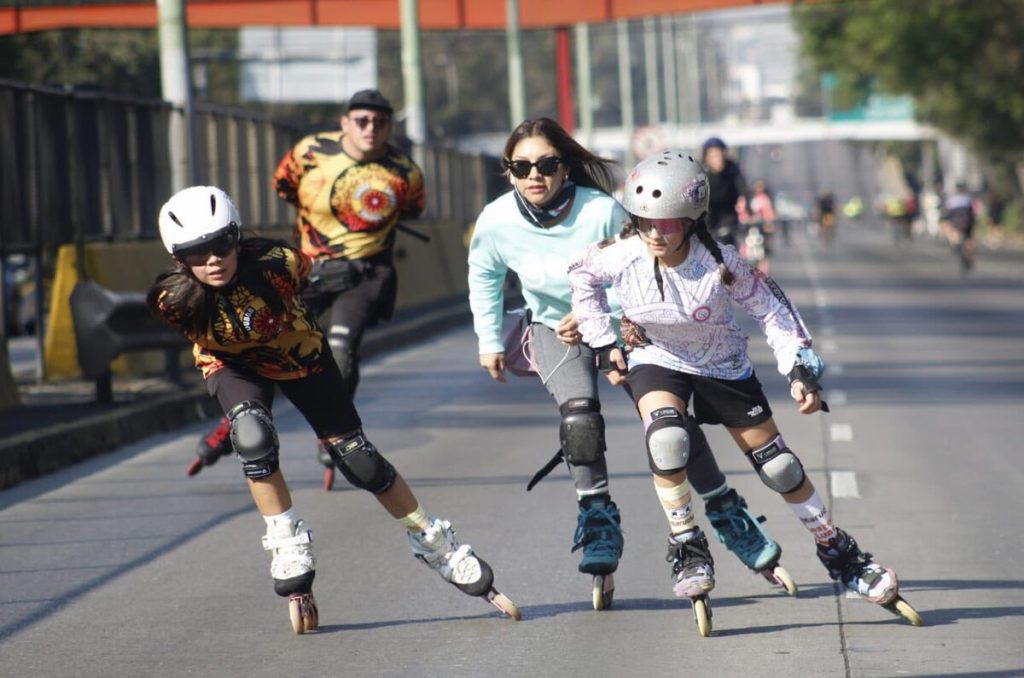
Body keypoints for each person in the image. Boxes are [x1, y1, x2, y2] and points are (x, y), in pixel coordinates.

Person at [568, 151, 922, 628]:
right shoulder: (622, 253)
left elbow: (773, 310)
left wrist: (798, 369)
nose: (654, 232)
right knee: (667, 438)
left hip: (723, 364)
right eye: (644, 220)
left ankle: (838, 551)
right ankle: (687, 545)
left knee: (779, 467)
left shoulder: (721, 263)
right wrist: (603, 339)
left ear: (692, 220)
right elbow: (582, 277)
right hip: (657, 358)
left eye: (667, 222)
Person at [149, 186, 518, 633]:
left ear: (237, 235)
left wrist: (335, 278)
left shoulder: (276, 264)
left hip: (300, 357)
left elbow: (310, 280)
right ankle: (287, 544)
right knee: (252, 437)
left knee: (359, 460)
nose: (212, 259)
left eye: (221, 243)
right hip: (232, 366)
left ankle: (435, 543)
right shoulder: (173, 301)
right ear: (177, 258)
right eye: (196, 252)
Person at [467, 119, 787, 611]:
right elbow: (485, 274)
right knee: (580, 421)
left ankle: (726, 512)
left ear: (565, 167)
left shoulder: (600, 212)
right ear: (508, 171)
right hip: (554, 329)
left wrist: (598, 318)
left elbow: (644, 271)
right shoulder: (495, 221)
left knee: (669, 424)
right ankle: (597, 520)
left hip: (628, 324)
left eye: (547, 165)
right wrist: (490, 339)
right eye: (521, 166)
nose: (535, 175)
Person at [188, 89, 425, 490]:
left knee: (340, 352)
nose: (371, 129)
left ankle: (331, 436)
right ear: (345, 122)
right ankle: (236, 424)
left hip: (366, 274)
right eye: (362, 120)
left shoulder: (404, 171)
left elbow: (414, 209)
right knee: (264, 345)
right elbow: (283, 186)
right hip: (307, 269)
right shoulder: (310, 153)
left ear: (390, 127)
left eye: (381, 122)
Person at [701, 137, 747, 247]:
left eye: (720, 155)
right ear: (707, 157)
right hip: (708, 216)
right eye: (713, 156)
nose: (718, 159)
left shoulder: (732, 170)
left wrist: (746, 204)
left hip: (727, 215)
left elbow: (743, 189)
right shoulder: (701, 173)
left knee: (727, 245)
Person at [942, 182, 976, 272]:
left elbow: (947, 212)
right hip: (968, 221)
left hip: (956, 221)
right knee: (969, 238)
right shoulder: (968, 198)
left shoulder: (951, 199)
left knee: (953, 235)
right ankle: (969, 254)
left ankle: (957, 247)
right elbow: (972, 212)